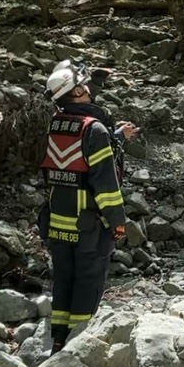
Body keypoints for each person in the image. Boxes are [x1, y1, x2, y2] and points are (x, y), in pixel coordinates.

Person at [38, 60, 137, 351]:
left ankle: (58, 340)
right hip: (89, 228)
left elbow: (77, 163)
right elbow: (106, 186)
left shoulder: (56, 124)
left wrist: (116, 137)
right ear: (78, 89)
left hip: (58, 223)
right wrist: (118, 223)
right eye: (84, 84)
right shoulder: (95, 131)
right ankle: (78, 345)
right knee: (88, 283)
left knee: (64, 281)